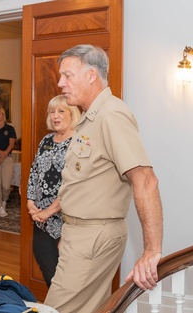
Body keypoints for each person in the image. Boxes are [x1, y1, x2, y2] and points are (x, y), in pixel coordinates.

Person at [44, 44, 164, 312]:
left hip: (93, 235)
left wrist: (151, 251)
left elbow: (146, 179)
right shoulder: (90, 118)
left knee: (55, 309)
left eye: (67, 75)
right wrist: (70, 229)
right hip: (81, 233)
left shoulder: (111, 114)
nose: (60, 83)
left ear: (91, 75)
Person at [25, 95, 79, 287]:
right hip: (41, 219)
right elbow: (34, 171)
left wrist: (49, 211)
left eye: (61, 111)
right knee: (46, 264)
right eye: (52, 111)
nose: (55, 116)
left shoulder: (78, 142)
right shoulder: (46, 140)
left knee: (66, 275)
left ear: (73, 114)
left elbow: (73, 185)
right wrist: (31, 202)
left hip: (66, 219)